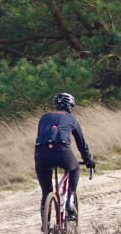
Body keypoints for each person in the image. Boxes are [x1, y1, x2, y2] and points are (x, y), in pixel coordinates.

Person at [35, 93, 95, 221]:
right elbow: (81, 143)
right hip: (62, 152)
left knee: (46, 192)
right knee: (74, 168)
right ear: (69, 107)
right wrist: (88, 159)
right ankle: (71, 200)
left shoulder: (43, 118)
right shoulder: (72, 119)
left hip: (41, 154)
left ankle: (45, 223)